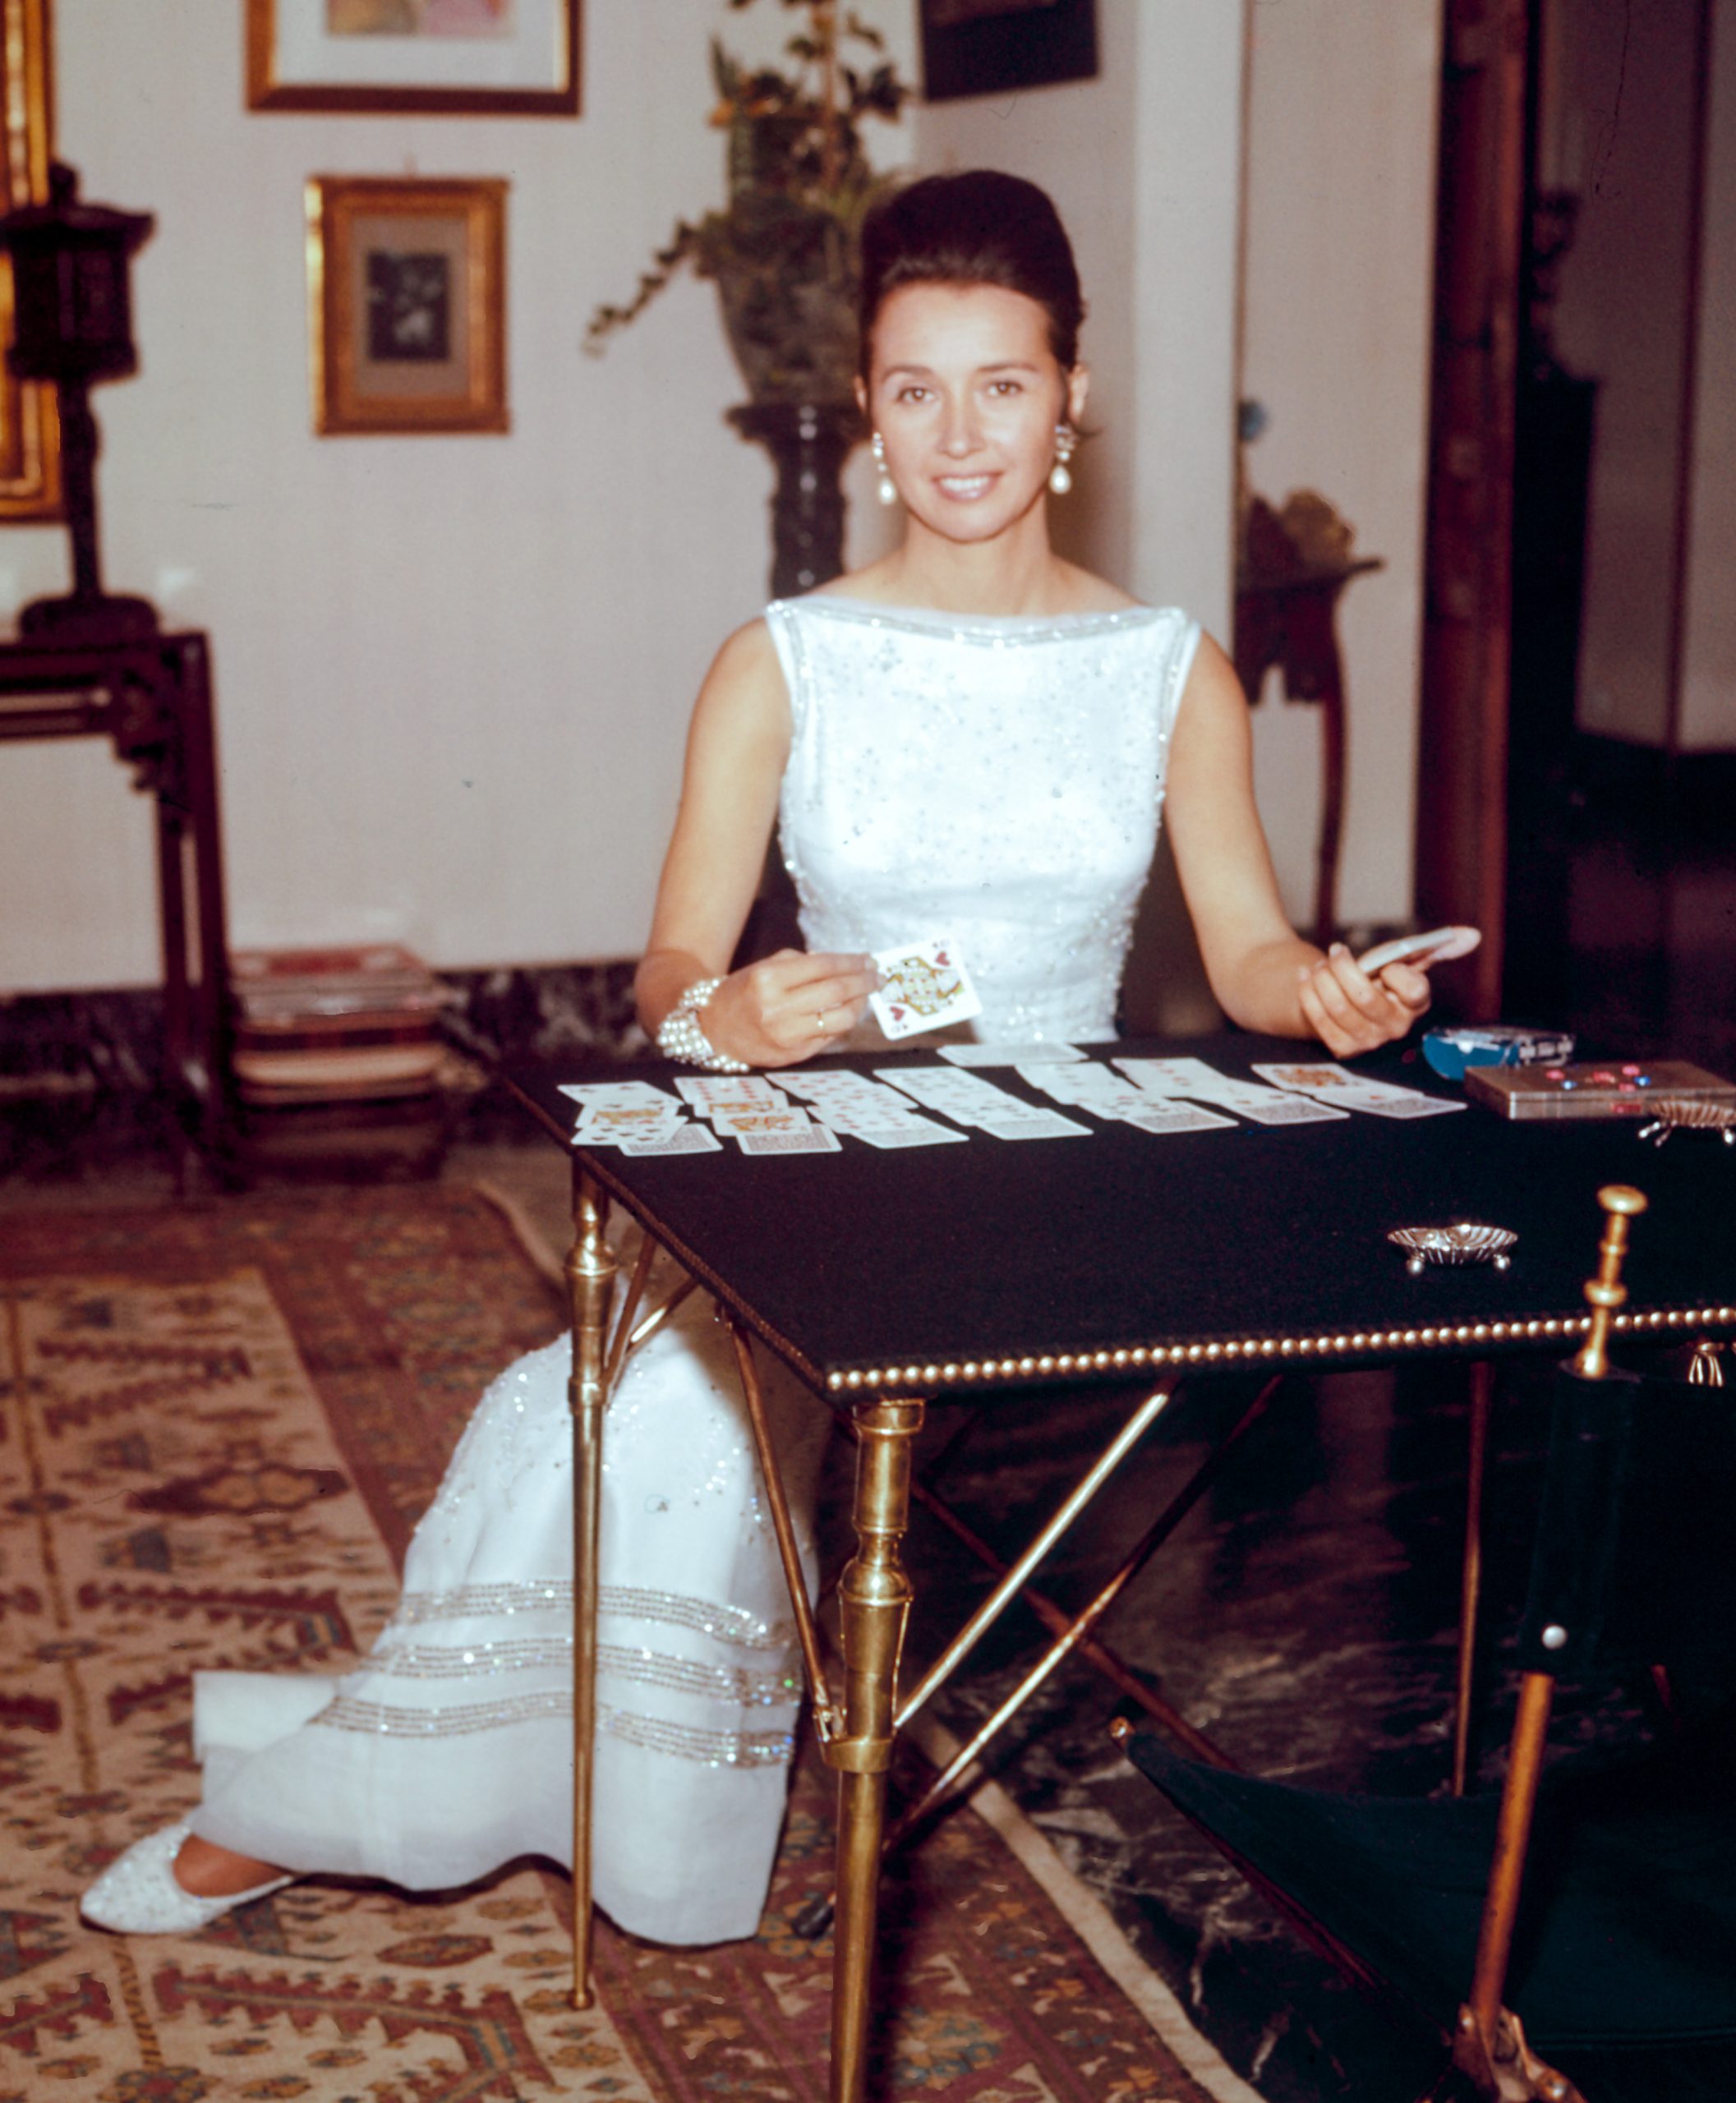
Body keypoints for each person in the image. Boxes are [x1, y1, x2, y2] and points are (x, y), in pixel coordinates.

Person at [81, 170, 1432, 1943]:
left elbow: (1246, 954)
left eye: (1002, 384)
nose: (961, 435)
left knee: (665, 1411)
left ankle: (410, 1776)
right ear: (868, 406)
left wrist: (1319, 995)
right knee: (623, 1408)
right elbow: (670, 968)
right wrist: (725, 1016)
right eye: (916, 389)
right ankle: (350, 1788)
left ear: (1070, 396)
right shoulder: (783, 661)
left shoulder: (1169, 671)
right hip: (830, 1144)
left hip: (1058, 1175)